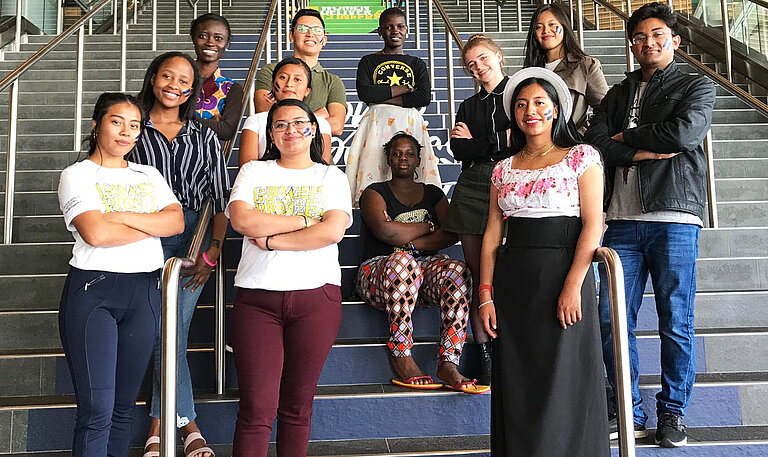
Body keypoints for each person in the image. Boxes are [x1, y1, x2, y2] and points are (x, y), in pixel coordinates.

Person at [584, 2, 716, 448]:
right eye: (639, 37)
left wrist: (626, 137)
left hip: (674, 217)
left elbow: (683, 135)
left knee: (675, 320)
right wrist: (637, 149)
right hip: (620, 220)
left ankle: (673, 413)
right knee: (609, 319)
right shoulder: (618, 93)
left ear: (675, 40)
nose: (648, 43)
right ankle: (628, 409)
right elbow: (595, 144)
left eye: (657, 35)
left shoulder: (697, 84)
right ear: (632, 44)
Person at [478, 68, 607, 456]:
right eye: (520, 104)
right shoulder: (502, 168)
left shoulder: (581, 157)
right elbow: (490, 235)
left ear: (555, 110)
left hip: (563, 274)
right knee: (518, 382)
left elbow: (593, 223)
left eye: (538, 103)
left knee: (562, 379)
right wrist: (485, 294)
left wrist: (573, 286)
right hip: (513, 281)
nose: (529, 111)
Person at [57, 93, 184, 457]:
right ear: (97, 124)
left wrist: (118, 215)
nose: (126, 132)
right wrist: (149, 224)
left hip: (144, 292)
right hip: (94, 291)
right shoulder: (76, 175)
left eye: (134, 125)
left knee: (125, 407)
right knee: (97, 411)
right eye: (117, 121)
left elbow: (174, 223)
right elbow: (96, 234)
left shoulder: (149, 174)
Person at [227, 99, 352, 457]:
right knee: (256, 410)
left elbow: (331, 233)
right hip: (257, 299)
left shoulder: (331, 176)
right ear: (270, 134)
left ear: (313, 129)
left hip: (317, 300)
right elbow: (243, 221)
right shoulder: (254, 172)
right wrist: (303, 220)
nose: (291, 130)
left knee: (297, 408)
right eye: (280, 125)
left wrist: (271, 239)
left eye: (299, 123)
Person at [130, 52, 231, 457]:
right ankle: (184, 424)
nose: (175, 84)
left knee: (174, 329)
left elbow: (220, 201)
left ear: (194, 88)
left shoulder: (204, 135)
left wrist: (213, 253)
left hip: (193, 238)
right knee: (161, 330)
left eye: (184, 80)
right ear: (154, 77)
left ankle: (159, 428)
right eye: (167, 75)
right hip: (143, 237)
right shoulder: (133, 128)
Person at [356, 133, 486, 394]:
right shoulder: (374, 193)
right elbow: (386, 233)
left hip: (424, 275)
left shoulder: (433, 193)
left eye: (409, 154)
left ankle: (448, 361)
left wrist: (411, 240)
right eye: (397, 153)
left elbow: (450, 232)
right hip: (378, 274)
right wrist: (428, 226)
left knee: (458, 270)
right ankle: (401, 352)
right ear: (389, 159)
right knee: (402, 263)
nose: (403, 158)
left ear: (418, 161)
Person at [446, 34, 512, 385]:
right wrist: (492, 142)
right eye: (471, 65)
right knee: (477, 273)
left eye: (484, 59)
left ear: (498, 56)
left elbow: (518, 139)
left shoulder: (519, 94)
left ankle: (510, 350)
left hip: (512, 181)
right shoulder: (469, 105)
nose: (479, 68)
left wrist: (479, 143)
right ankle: (484, 353)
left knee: (508, 269)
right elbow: (458, 150)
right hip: (472, 187)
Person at [344, 7, 441, 206]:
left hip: (409, 122)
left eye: (400, 26)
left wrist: (381, 96)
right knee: (374, 168)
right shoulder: (368, 61)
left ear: (407, 30)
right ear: (380, 31)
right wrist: (405, 88)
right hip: (376, 123)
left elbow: (423, 97)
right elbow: (365, 93)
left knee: (409, 168)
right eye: (388, 27)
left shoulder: (416, 63)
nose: (394, 31)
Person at [254, 8, 347, 135]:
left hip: (316, 153)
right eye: (303, 28)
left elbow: (336, 126)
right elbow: (265, 115)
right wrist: (317, 116)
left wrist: (288, 121)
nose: (310, 34)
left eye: (317, 30)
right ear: (291, 36)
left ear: (324, 40)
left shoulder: (332, 82)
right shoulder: (270, 72)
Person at [523, 3, 608, 131]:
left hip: (570, 145)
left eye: (552, 25)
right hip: (537, 145)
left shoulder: (586, 65)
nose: (546, 30)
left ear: (564, 26)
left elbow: (605, 110)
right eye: (539, 27)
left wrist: (580, 134)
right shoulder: (531, 71)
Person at [239, 57, 332, 165]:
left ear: (307, 90)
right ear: (273, 86)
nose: (289, 84)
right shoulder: (256, 121)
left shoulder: (321, 124)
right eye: (283, 77)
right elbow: (247, 169)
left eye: (297, 79)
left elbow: (323, 169)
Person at [191, 13, 244, 141]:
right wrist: (210, 123)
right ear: (193, 39)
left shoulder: (231, 89)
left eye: (218, 38)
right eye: (203, 36)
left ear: (227, 44)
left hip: (206, 158)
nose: (210, 42)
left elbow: (226, 131)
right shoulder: (177, 80)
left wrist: (181, 117)